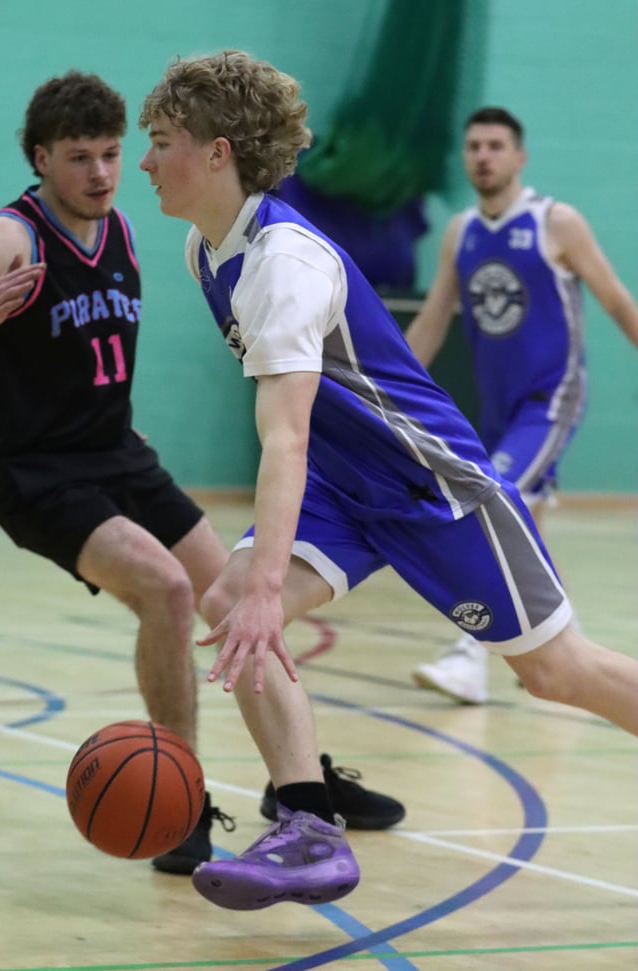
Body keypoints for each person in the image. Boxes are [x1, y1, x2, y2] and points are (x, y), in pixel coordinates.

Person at [137, 50, 638, 912]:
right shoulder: (205, 251)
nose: (145, 160)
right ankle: (308, 826)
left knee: (557, 672)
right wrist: (253, 586)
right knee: (228, 603)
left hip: (431, 488)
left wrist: (270, 585)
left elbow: (283, 438)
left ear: (218, 152)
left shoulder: (285, 262)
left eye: (160, 140)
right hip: (345, 486)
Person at [0, 69, 403, 875]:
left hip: (119, 454)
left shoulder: (124, 230)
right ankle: (182, 802)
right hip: (34, 473)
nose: (99, 172)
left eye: (111, 154)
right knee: (166, 590)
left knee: (235, 597)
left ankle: (296, 781)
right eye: (79, 157)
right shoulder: (10, 238)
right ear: (41, 158)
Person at [406, 107, 638, 704]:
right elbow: (433, 320)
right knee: (521, 519)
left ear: (519, 157)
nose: (483, 154)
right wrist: (376, 392)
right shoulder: (461, 232)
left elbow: (615, 300)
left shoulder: (555, 221)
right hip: (495, 407)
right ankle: (568, 644)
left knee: (490, 506)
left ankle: (468, 657)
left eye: (496, 145)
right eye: (474, 145)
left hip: (551, 397)